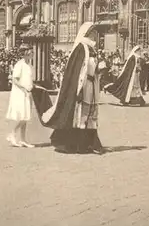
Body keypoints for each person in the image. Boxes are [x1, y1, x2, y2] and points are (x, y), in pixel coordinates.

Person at [31, 22, 103, 154]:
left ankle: (91, 143)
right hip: (83, 86)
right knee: (81, 115)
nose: (95, 35)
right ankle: (80, 144)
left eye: (95, 33)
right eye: (92, 32)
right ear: (87, 33)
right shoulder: (81, 48)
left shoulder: (92, 49)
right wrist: (78, 89)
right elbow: (76, 72)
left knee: (91, 114)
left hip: (92, 86)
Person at [6, 43, 35, 148]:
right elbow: (15, 80)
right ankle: (12, 133)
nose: (33, 53)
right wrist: (24, 89)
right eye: (31, 52)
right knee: (23, 116)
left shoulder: (29, 65)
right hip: (20, 93)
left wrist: (33, 87)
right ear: (26, 53)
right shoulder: (19, 64)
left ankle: (23, 140)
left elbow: (28, 80)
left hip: (28, 93)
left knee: (26, 116)